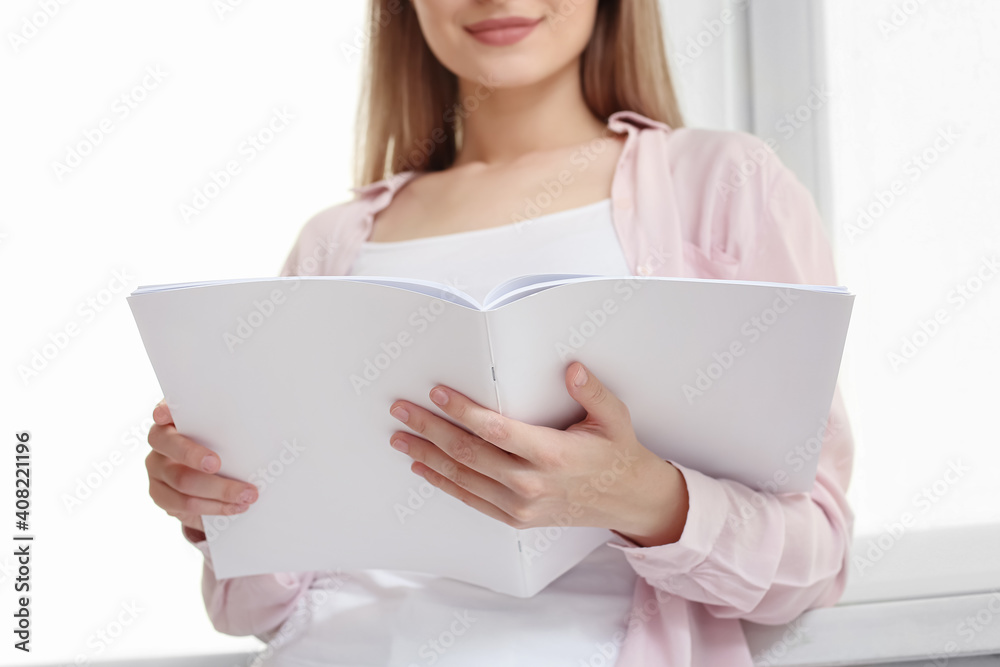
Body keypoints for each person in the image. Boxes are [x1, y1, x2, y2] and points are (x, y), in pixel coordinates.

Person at [144, 0, 856, 664]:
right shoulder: (331, 242)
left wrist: (646, 498)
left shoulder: (724, 185)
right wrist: (217, 506)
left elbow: (816, 556)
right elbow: (257, 608)